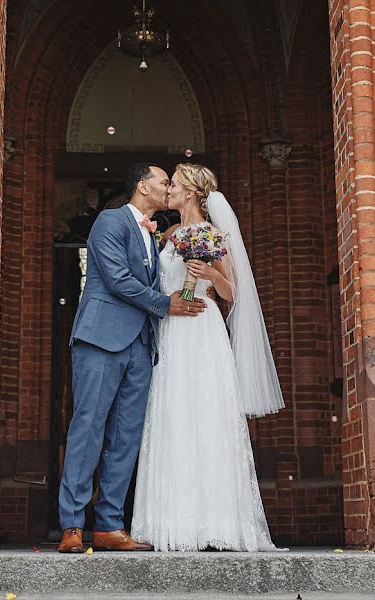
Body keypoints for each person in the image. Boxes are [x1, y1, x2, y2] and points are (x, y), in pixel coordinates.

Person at [131, 163, 285, 551]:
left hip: (201, 328)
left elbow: (233, 292)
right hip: (170, 328)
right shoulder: (166, 233)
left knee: (205, 415)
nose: (169, 190)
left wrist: (210, 276)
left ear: (192, 193)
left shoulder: (213, 234)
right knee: (171, 416)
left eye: (175, 185)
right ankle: (169, 522)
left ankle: (215, 523)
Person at [56, 163, 207, 553]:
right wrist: (164, 304)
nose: (168, 187)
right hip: (101, 339)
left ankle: (108, 524)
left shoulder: (153, 236)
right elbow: (117, 278)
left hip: (141, 346)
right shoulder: (111, 220)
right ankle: (72, 524)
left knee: (125, 438)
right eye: (163, 182)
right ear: (143, 186)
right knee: (88, 428)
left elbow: (151, 279)